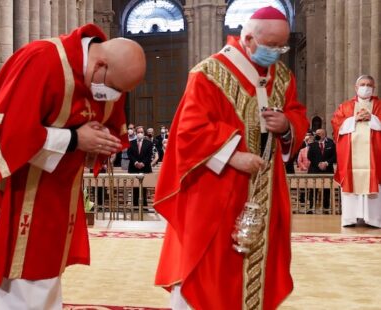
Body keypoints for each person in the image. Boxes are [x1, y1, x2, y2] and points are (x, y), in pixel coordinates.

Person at [0, 23, 145, 309]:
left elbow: (108, 126)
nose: (112, 97)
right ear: (101, 64)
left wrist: (99, 145)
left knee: (45, 275)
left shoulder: (106, 77)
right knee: (1, 280)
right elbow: (12, 137)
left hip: (55, 191)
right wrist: (76, 138)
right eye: (113, 89)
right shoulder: (43, 60)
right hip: (12, 183)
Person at [153, 7, 307, 309]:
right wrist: (232, 156)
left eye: (282, 46)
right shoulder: (208, 73)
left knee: (257, 264)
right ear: (248, 39)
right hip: (215, 188)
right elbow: (188, 130)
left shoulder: (283, 77)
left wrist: (287, 125)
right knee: (208, 266)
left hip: (264, 190)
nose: (277, 53)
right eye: (271, 46)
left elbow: (297, 113)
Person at [332, 75, 381, 228]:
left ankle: (373, 219)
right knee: (350, 183)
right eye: (363, 84)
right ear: (356, 87)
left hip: (373, 156)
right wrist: (354, 119)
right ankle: (350, 219)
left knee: (373, 184)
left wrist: (372, 118)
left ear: (373, 88)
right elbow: (336, 125)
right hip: (350, 156)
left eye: (369, 85)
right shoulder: (345, 106)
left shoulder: (379, 105)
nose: (366, 87)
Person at [127, 126, 154, 207]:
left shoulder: (149, 143)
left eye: (141, 132)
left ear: (144, 133)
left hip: (144, 168)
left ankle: (144, 206)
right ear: (135, 133)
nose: (140, 134)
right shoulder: (131, 143)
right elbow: (130, 154)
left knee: (143, 189)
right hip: (133, 168)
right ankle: (135, 206)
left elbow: (149, 155)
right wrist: (135, 162)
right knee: (135, 188)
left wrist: (143, 163)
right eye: (138, 132)